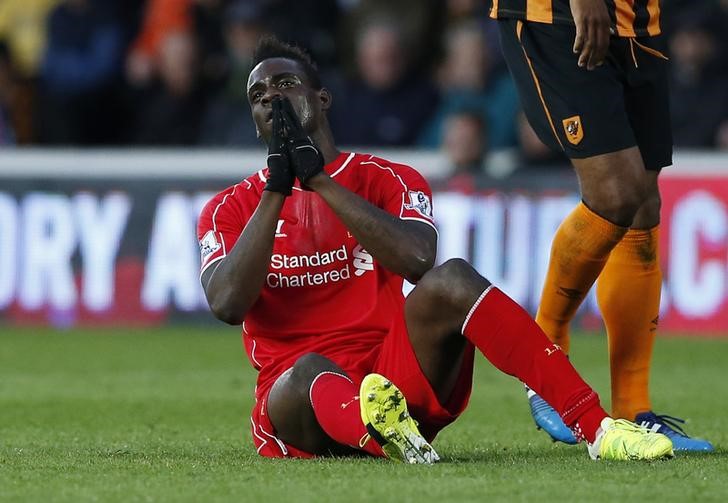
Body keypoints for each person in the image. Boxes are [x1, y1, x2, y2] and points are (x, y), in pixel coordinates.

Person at [197, 36, 674, 463]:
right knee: (308, 372)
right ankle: (384, 439)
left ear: (321, 100)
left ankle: (598, 429)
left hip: (393, 378)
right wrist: (277, 190)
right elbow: (226, 303)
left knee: (454, 278)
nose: (272, 99)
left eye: (285, 84)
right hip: (299, 402)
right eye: (258, 96)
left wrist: (318, 181)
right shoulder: (228, 209)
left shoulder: (389, 179)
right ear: (253, 119)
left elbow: (418, 261)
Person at [488, 0, 713, 450]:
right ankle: (544, 363)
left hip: (638, 23)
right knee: (615, 194)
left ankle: (634, 410)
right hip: (557, 17)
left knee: (644, 205)